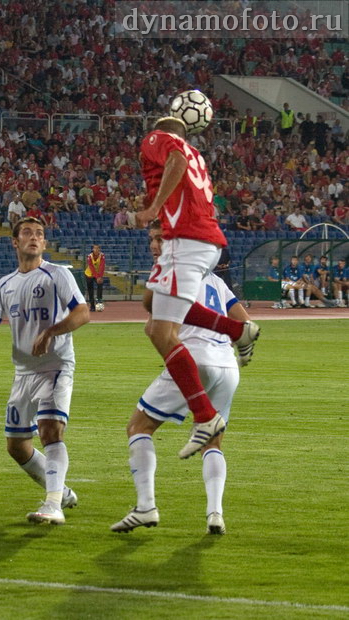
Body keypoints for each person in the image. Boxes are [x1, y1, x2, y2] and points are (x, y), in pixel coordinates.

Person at [111, 221, 249, 535]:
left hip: (193, 360)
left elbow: (155, 329)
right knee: (213, 441)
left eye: (161, 239)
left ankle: (146, 506)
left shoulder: (170, 272)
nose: (155, 245)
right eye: (152, 239)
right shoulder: (215, 280)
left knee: (138, 426)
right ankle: (215, 513)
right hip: (227, 367)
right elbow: (244, 323)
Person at [136, 117, 259, 460]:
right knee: (152, 303)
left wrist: (153, 209)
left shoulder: (160, 139)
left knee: (161, 332)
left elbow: (172, 159)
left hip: (185, 239)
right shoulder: (198, 155)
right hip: (204, 240)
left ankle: (204, 416)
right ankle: (238, 329)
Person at [0, 217, 90, 525]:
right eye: (27, 232)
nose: (34, 237)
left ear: (45, 244)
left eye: (39, 233)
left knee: (51, 430)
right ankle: (60, 491)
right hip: (23, 373)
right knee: (17, 447)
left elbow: (82, 313)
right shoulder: (5, 284)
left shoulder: (58, 274)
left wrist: (52, 331)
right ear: (15, 242)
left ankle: (53, 505)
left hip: (56, 366)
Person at [84, 244, 105, 311]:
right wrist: (97, 276)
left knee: (100, 284)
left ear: (99, 249)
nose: (96, 250)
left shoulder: (102, 256)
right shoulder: (89, 256)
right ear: (92, 249)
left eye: (97, 249)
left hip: (98, 274)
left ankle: (99, 300)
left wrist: (100, 276)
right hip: (89, 274)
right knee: (90, 290)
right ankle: (92, 305)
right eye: (95, 248)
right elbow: (91, 267)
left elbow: (102, 266)